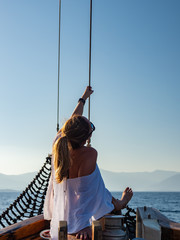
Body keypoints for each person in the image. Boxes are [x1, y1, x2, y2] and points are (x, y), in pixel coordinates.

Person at [44, 86, 133, 240]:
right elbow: (87, 192)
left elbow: (75, 117)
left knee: (88, 182)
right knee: (95, 182)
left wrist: (83, 97)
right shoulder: (89, 154)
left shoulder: (58, 144)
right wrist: (84, 224)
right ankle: (119, 204)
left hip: (60, 218)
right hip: (78, 223)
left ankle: (117, 203)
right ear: (87, 138)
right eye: (91, 126)